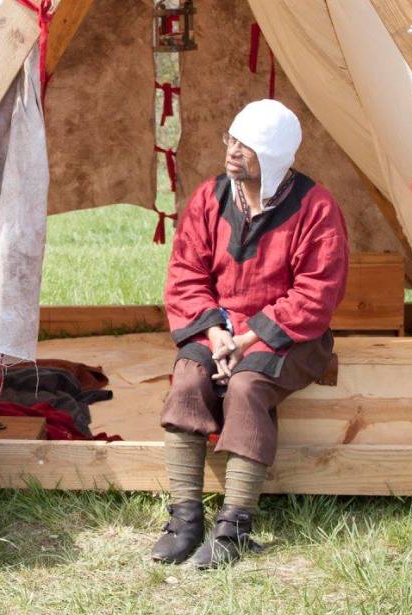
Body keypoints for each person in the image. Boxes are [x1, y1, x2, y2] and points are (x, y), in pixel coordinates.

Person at [152, 99, 349, 569]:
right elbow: (186, 275)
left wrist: (249, 338)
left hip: (290, 333)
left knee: (246, 386)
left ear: (275, 154)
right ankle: (185, 519)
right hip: (219, 325)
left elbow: (316, 293)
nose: (233, 151)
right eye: (232, 139)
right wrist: (215, 332)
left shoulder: (315, 208)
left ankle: (234, 528)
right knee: (189, 377)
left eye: (248, 145)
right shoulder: (211, 197)